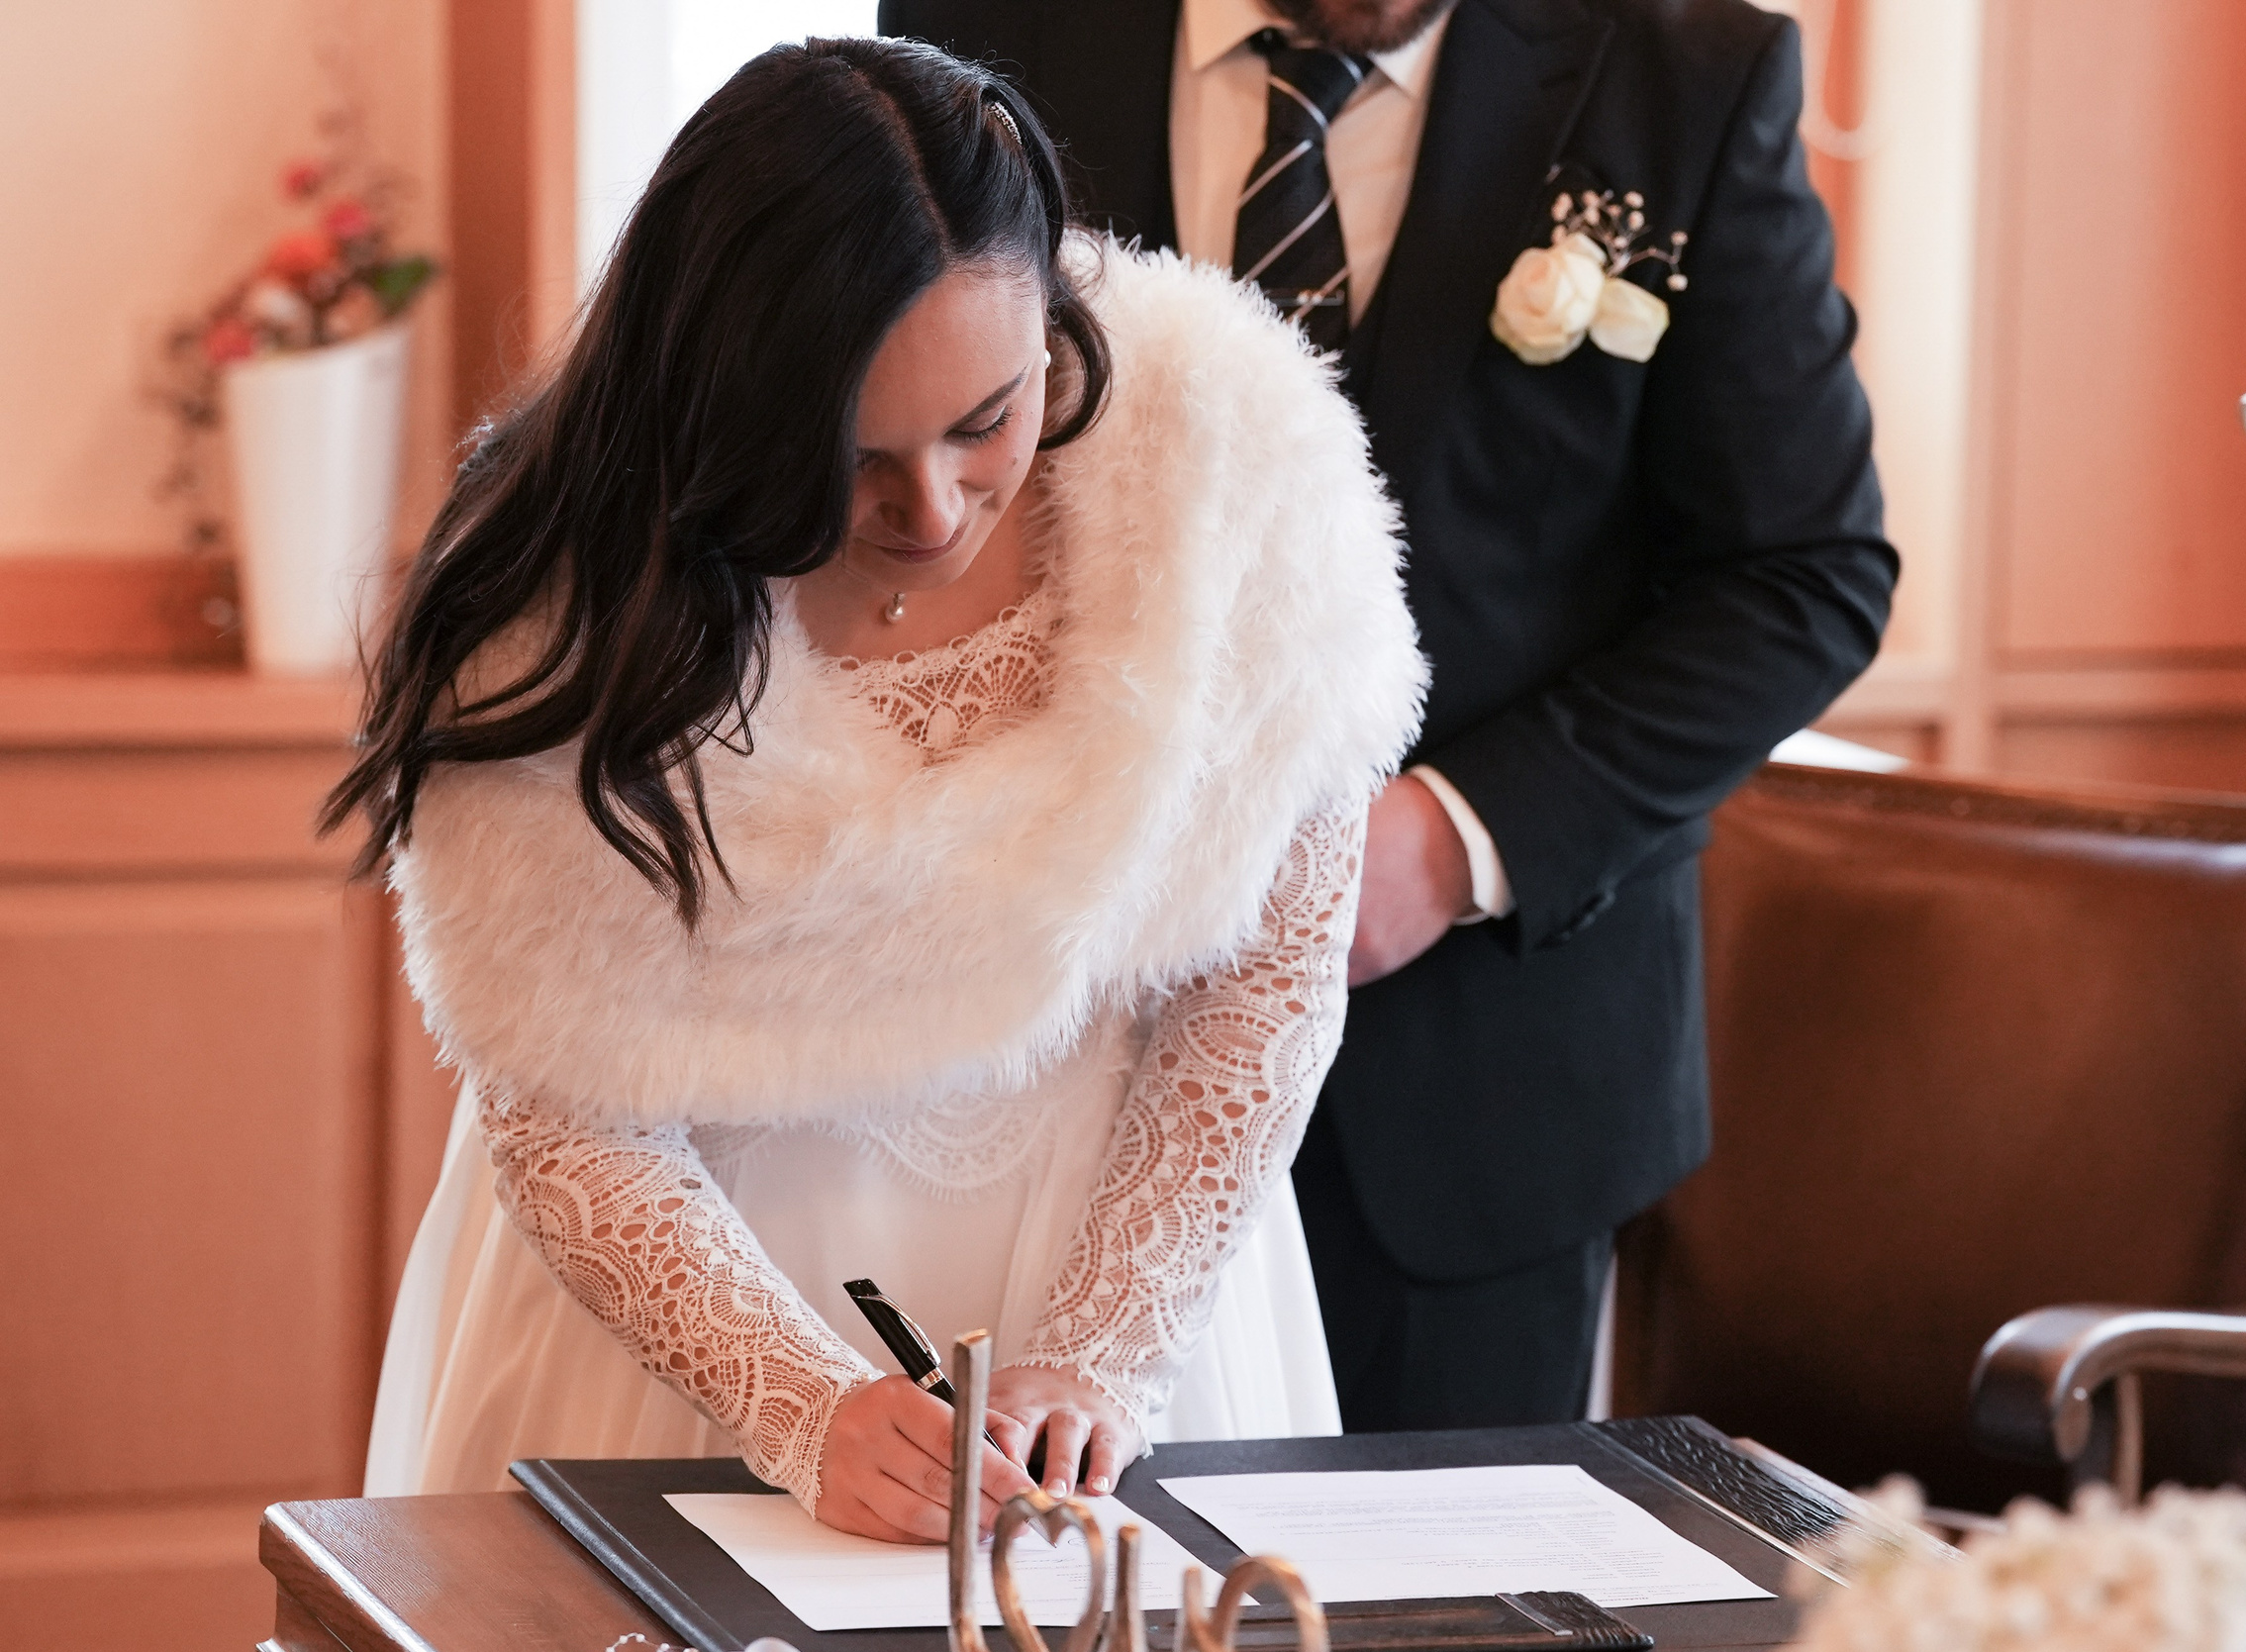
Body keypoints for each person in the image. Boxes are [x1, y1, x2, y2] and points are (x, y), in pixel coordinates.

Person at [336, 37, 1423, 1540]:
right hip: (686, 1310)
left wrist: (1107, 1344)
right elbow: (561, 1096)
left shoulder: (1228, 465)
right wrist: (794, 1398)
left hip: (1113, 1270)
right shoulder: (574, 578)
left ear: (1052, 315)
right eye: (850, 458)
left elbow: (1265, 976)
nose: (933, 509)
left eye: (988, 418)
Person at [880, 0, 1899, 1429]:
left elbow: (1806, 573)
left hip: (1468, 1097)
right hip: (1019, 1056)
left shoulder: (1684, 73)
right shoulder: (980, 24)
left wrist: (1453, 837)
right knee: (999, 1618)